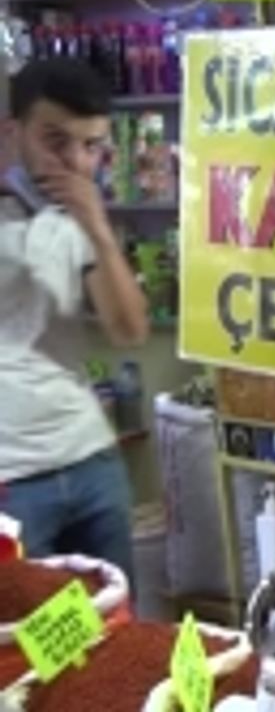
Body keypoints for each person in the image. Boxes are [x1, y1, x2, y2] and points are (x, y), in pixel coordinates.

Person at [0, 59, 150, 581]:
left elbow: (129, 330)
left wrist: (97, 228)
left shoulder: (72, 222)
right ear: (12, 133)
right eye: (55, 141)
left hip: (91, 456)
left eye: (90, 146)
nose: (75, 162)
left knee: (117, 616)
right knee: (29, 629)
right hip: (12, 479)